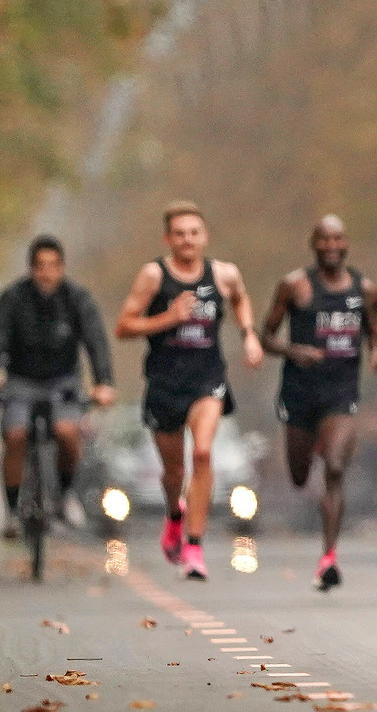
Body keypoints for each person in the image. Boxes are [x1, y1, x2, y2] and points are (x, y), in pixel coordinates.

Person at [115, 202, 264, 580]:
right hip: (165, 383)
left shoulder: (224, 274)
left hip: (206, 380)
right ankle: (174, 515)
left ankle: (194, 547)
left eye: (194, 233)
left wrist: (249, 336)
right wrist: (169, 317)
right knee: (173, 471)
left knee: (201, 454)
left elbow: (241, 298)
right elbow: (123, 326)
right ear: (168, 238)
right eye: (179, 234)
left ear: (204, 236)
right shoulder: (154, 275)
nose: (187, 240)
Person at [260, 215, 377, 591]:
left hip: (341, 393)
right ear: (313, 244)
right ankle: (309, 457)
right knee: (301, 476)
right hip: (300, 394)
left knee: (334, 466)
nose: (332, 246)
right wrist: (291, 350)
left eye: (338, 239)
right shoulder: (294, 286)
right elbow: (265, 336)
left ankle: (329, 558)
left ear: (346, 243)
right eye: (324, 240)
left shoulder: (364, 290)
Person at [0, 235, 116, 538]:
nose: (47, 273)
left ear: (62, 268)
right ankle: (12, 512)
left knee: (67, 432)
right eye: (40, 266)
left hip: (63, 381)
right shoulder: (13, 298)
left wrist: (104, 381)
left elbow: (96, 340)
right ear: (31, 269)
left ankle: (65, 496)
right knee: (15, 435)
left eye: (53, 266)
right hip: (20, 380)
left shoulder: (77, 299)